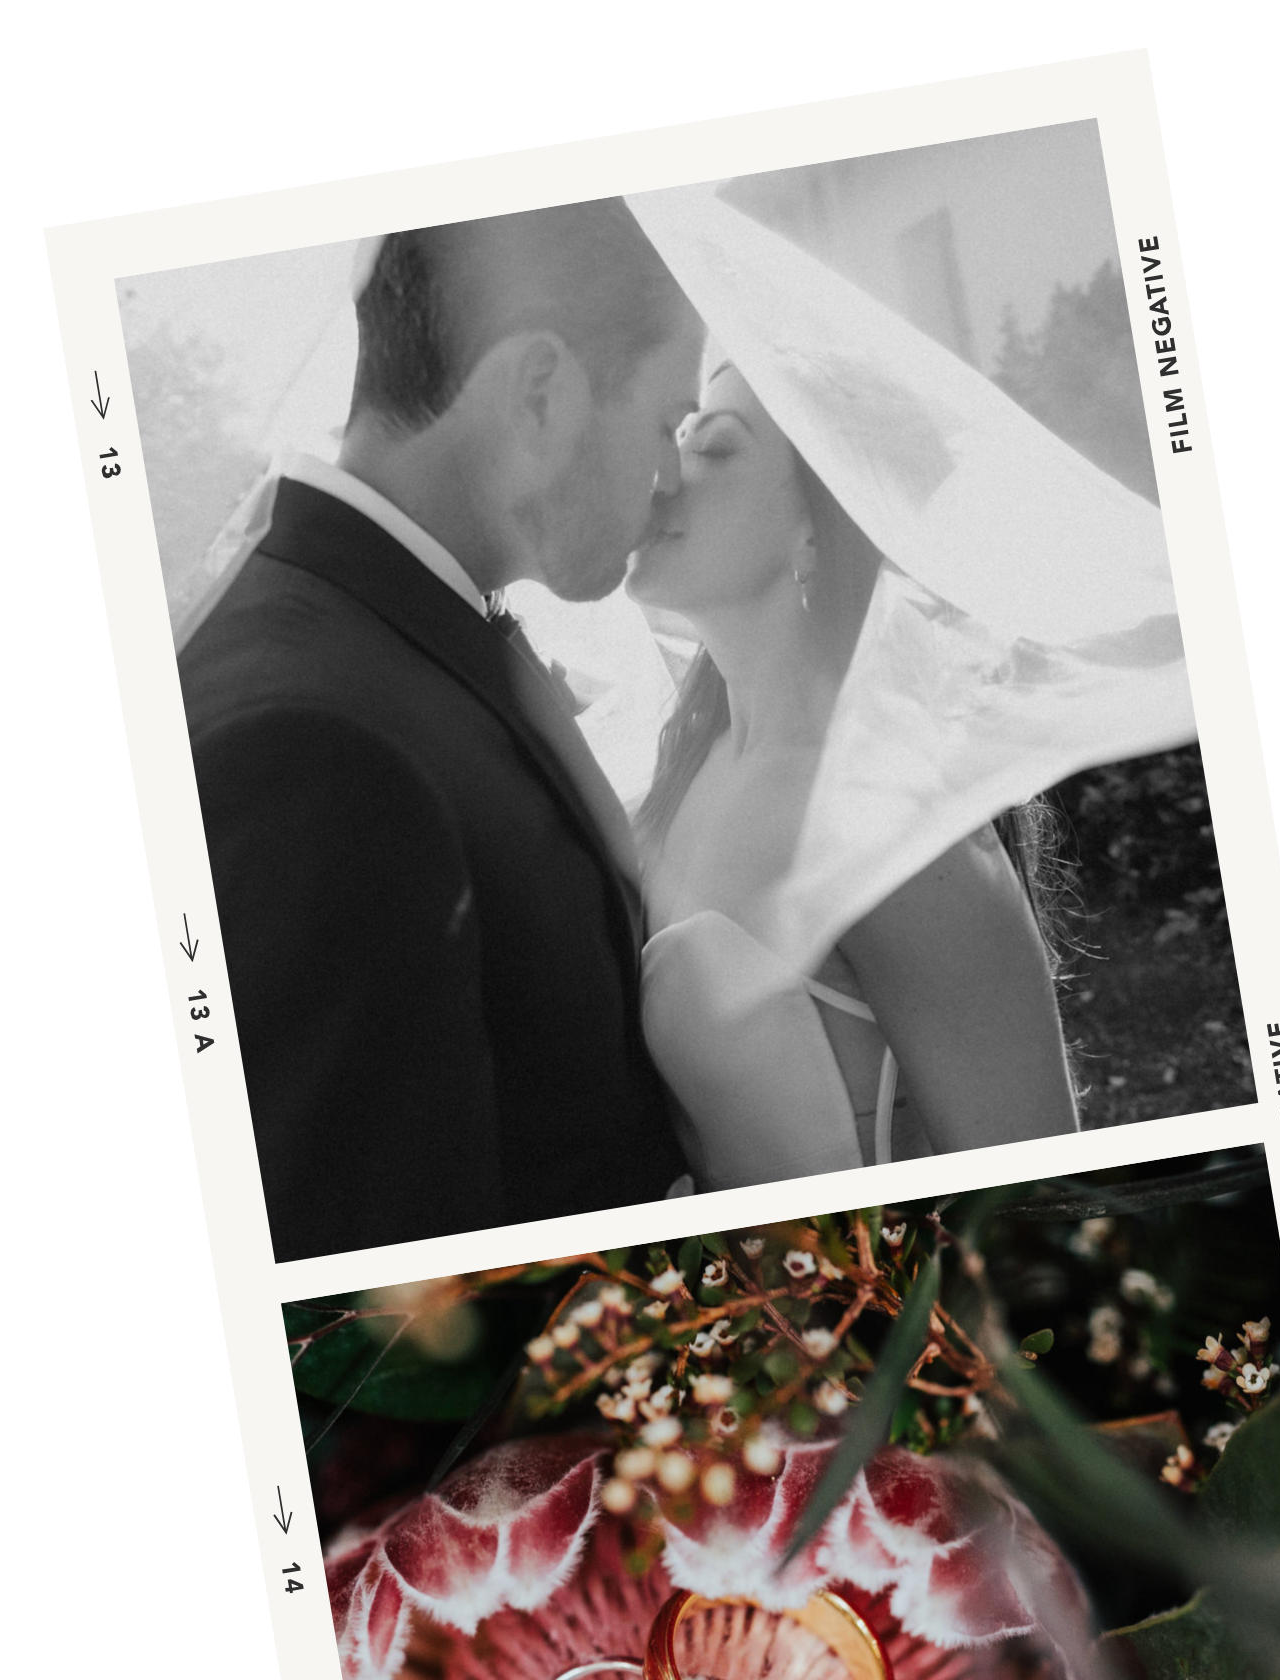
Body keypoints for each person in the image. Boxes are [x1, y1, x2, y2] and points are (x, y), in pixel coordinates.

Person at [177, 201, 703, 1260]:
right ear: (541, 392)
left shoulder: (403, 632)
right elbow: (389, 1339)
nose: (672, 480)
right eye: (665, 422)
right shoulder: (316, 747)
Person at [627, 357, 1079, 1185]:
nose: (664, 473)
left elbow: (1042, 1197)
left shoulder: (893, 819)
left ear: (817, 521)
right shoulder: (683, 771)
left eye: (716, 449)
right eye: (679, 437)